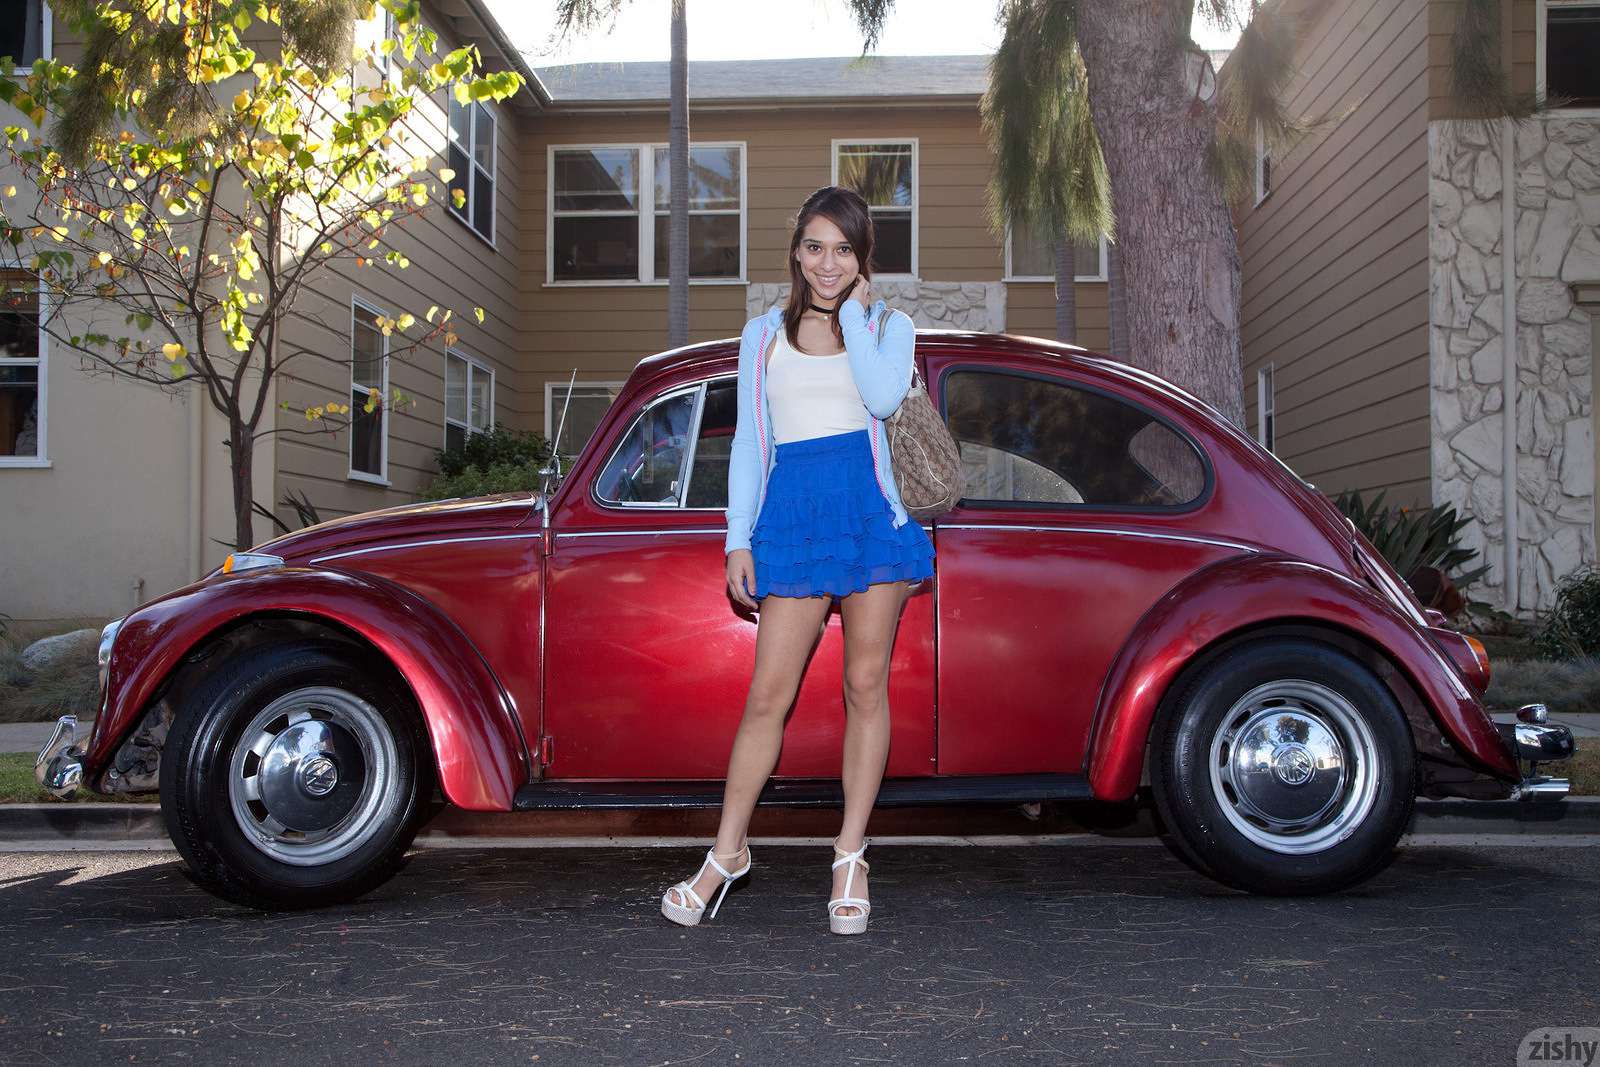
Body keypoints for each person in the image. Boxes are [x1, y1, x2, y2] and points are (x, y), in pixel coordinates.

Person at [660, 185, 935, 935]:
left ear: (863, 258)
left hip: (871, 516)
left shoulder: (890, 326)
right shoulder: (761, 336)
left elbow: (882, 399)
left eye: (844, 249)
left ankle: (850, 855)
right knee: (767, 696)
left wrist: (857, 314)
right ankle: (726, 853)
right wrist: (737, 538)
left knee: (866, 684)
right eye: (815, 246)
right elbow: (751, 445)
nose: (827, 262)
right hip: (792, 517)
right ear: (795, 252)